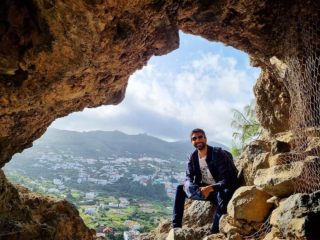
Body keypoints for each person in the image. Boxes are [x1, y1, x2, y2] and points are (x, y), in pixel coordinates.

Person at [172, 128, 239, 234]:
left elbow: (229, 179)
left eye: (200, 137)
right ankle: (176, 228)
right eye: (194, 138)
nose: (198, 140)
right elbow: (188, 177)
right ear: (192, 142)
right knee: (180, 189)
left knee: (224, 194)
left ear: (205, 139)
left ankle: (214, 233)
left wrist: (211, 188)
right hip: (204, 190)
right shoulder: (192, 157)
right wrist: (189, 186)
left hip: (218, 189)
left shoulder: (218, 153)